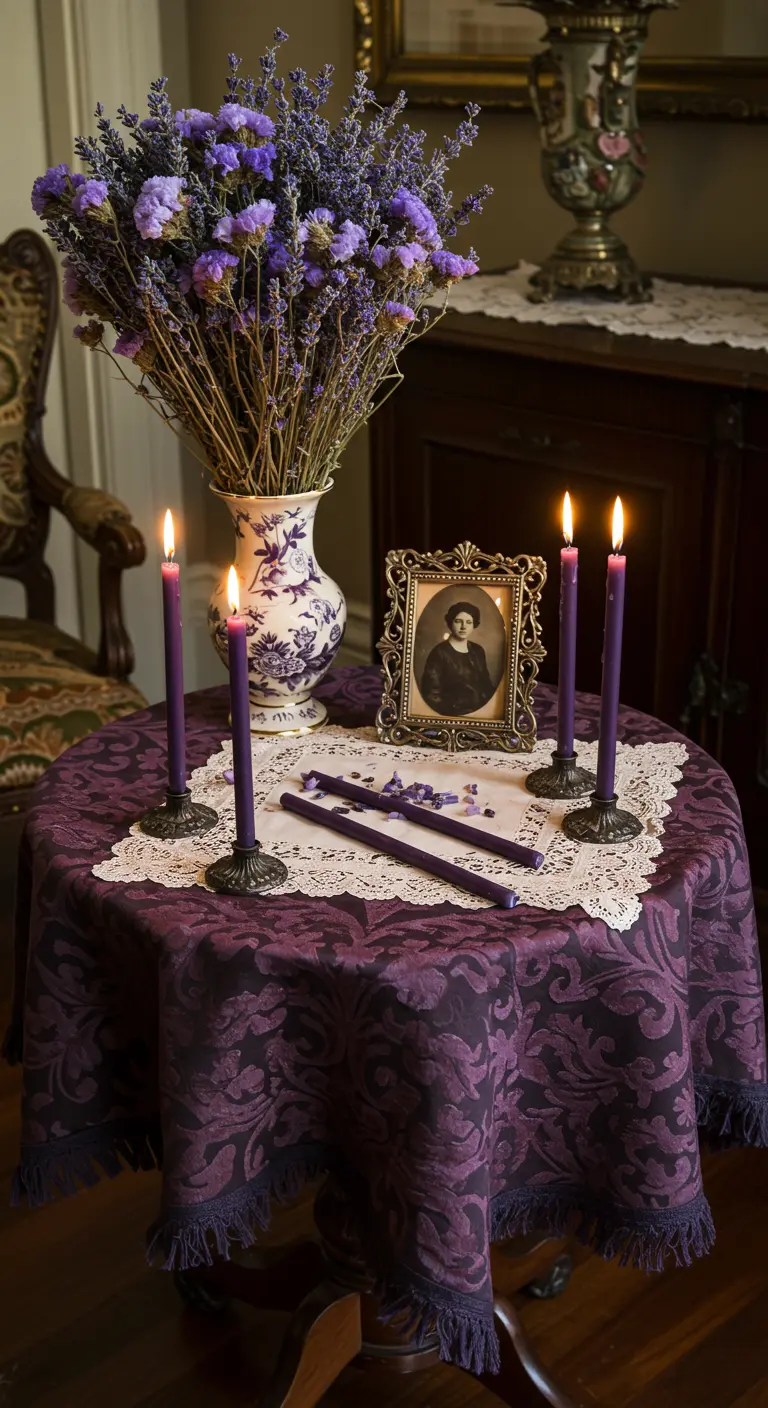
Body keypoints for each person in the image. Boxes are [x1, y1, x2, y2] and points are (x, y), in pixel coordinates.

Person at [420, 600, 495, 716]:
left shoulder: (477, 650)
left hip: (479, 713)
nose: (464, 627)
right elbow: (431, 694)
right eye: (458, 621)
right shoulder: (439, 653)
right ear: (450, 623)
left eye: (469, 622)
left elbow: (486, 685)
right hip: (452, 715)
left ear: (474, 625)